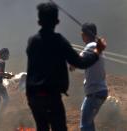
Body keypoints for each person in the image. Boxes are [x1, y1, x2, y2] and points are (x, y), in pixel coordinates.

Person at [26, 2, 106, 131]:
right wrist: (98, 51)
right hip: (52, 96)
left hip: (34, 97)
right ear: (57, 21)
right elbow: (81, 62)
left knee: (42, 128)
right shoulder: (59, 41)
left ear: (38, 21)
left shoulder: (32, 41)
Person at [71, 23, 108, 131]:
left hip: (95, 92)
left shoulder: (91, 46)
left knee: (85, 125)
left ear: (84, 34)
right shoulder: (96, 47)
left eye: (82, 33)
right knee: (88, 122)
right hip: (98, 91)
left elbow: (77, 61)